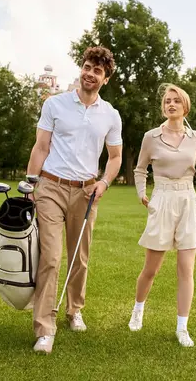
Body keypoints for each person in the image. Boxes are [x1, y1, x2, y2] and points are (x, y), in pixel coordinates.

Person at [25, 46, 123, 354]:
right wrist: (30, 185)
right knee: (51, 257)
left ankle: (74, 309)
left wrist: (105, 182)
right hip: (51, 188)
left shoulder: (110, 114)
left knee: (79, 258)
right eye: (87, 66)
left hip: (86, 191)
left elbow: (116, 156)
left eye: (97, 70)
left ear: (105, 78)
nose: (89, 73)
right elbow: (41, 147)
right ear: (80, 68)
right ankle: (44, 328)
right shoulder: (55, 104)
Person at [128, 83, 196, 347]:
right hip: (162, 199)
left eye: (177, 100)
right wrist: (142, 193)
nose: (171, 104)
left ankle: (182, 328)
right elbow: (140, 169)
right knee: (151, 269)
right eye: (167, 100)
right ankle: (138, 310)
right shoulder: (151, 137)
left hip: (188, 200)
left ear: (185, 106)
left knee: (186, 270)